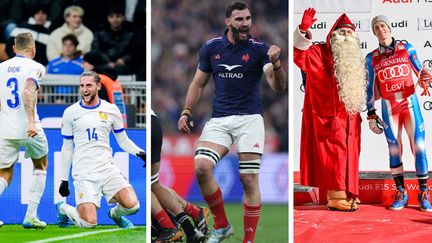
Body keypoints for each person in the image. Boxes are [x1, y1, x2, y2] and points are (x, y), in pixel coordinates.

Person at [177, 2, 286, 242]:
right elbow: (198, 83)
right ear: (228, 22)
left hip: (250, 119)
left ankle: (248, 240)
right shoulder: (211, 48)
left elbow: (278, 87)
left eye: (248, 18)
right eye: (239, 19)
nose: (245, 23)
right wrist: (186, 110)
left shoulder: (260, 49)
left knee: (248, 179)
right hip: (220, 119)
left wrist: (277, 64)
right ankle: (223, 225)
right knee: (201, 168)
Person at [293, 8, 368, 211]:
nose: (346, 35)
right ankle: (335, 197)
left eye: (349, 32)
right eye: (342, 32)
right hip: (329, 118)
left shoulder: (355, 59)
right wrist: (302, 29)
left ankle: (350, 192)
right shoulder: (320, 53)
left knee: (350, 155)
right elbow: (300, 55)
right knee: (335, 156)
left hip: (351, 118)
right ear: (333, 35)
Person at [55, 71, 145, 228]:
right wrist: (64, 180)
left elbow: (123, 140)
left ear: (98, 86)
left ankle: (114, 214)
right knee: (89, 224)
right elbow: (67, 147)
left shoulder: (111, 109)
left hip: (107, 168)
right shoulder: (70, 112)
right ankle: (62, 207)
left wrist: (140, 152)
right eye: (82, 86)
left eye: (89, 85)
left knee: (133, 206)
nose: (85, 89)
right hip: (84, 172)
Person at [366, 15, 432, 211]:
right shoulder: (371, 58)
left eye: (383, 25)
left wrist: (426, 77)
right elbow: (369, 87)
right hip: (389, 108)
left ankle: (423, 193)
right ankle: (401, 192)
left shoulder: (407, 47)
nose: (381, 29)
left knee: (419, 147)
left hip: (410, 104)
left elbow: (420, 71)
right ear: (374, 32)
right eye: (377, 27)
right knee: (394, 149)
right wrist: (370, 113)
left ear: (389, 27)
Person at [0, 32, 48, 228]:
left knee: (4, 173)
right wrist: (30, 121)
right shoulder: (35, 66)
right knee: (41, 165)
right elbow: (28, 89)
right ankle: (30, 216)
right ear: (34, 49)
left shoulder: (1, 68)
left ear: (13, 48)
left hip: (5, 128)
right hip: (29, 128)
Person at [152, 110, 208, 242]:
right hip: (154, 121)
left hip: (148, 125)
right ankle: (192, 219)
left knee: (149, 185)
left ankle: (170, 227)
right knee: (153, 185)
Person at [82, 51, 127, 127]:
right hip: (119, 122)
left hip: (105, 125)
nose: (82, 65)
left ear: (92, 63)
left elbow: (99, 104)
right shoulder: (112, 79)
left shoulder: (97, 80)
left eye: (84, 62)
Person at [91, 6, 134, 75]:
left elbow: (134, 52)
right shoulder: (100, 33)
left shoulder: (130, 33)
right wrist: (107, 62)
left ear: (123, 18)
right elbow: (96, 51)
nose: (115, 19)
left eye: (118, 16)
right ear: (108, 18)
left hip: (124, 66)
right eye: (112, 16)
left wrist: (124, 59)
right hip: (103, 64)